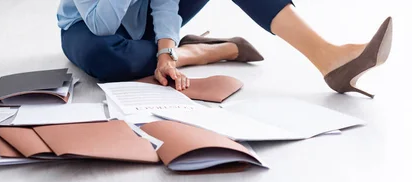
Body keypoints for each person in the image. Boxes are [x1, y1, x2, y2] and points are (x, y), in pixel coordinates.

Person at [57, 0, 392, 98]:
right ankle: (197, 52)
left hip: (141, 27)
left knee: (141, 48)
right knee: (110, 58)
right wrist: (169, 51)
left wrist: (162, 52)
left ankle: (329, 57)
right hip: (87, 28)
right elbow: (101, 24)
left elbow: (164, 6)